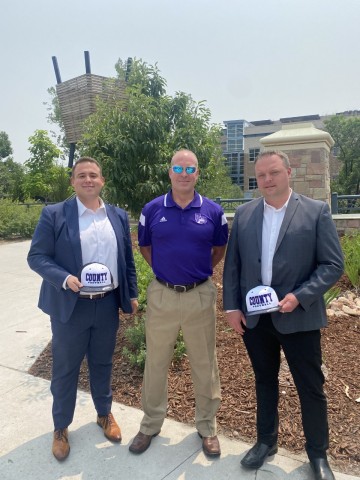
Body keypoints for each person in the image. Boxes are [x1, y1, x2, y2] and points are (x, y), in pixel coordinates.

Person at [223, 150, 344, 480]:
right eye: (261, 176)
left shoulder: (315, 212)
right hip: (256, 320)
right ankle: (266, 442)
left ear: (288, 172)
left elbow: (333, 265)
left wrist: (299, 296)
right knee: (264, 381)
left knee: (311, 387)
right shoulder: (245, 214)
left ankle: (318, 455)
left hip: (298, 317)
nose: (267, 180)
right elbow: (232, 266)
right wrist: (232, 308)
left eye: (274, 173)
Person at [27, 157, 138, 461]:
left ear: (102, 181)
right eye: (81, 176)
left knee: (102, 364)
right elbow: (37, 257)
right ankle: (61, 427)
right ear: (73, 182)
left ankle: (104, 414)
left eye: (93, 175)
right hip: (71, 307)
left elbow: (127, 260)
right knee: (65, 370)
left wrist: (132, 294)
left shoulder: (116, 215)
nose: (88, 180)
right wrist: (63, 279)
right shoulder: (54, 215)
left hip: (106, 305)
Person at [128, 149, 228, 456]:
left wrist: (197, 274)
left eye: (190, 168)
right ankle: (150, 424)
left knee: (204, 362)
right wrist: (164, 270)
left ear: (197, 174)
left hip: (199, 294)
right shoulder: (152, 209)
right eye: (178, 167)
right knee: (156, 361)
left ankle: (207, 426)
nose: (184, 173)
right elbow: (145, 246)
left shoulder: (213, 211)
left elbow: (219, 249)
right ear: (169, 172)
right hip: (163, 295)